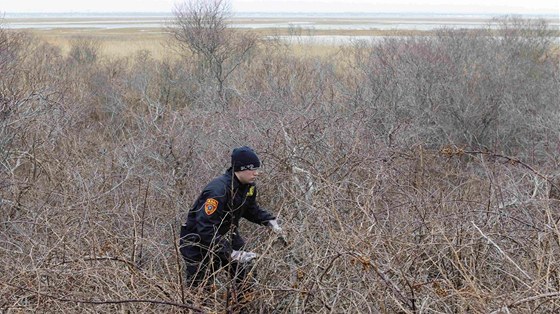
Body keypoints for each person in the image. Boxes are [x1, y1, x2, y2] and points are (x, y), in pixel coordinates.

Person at [179, 146, 283, 298]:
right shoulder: (218, 190)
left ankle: (240, 307)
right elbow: (206, 228)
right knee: (200, 290)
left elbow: (250, 209)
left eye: (257, 168)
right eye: (252, 169)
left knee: (246, 277)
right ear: (240, 168)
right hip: (198, 242)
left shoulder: (248, 187)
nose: (256, 173)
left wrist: (270, 221)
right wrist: (230, 253)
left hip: (227, 234)